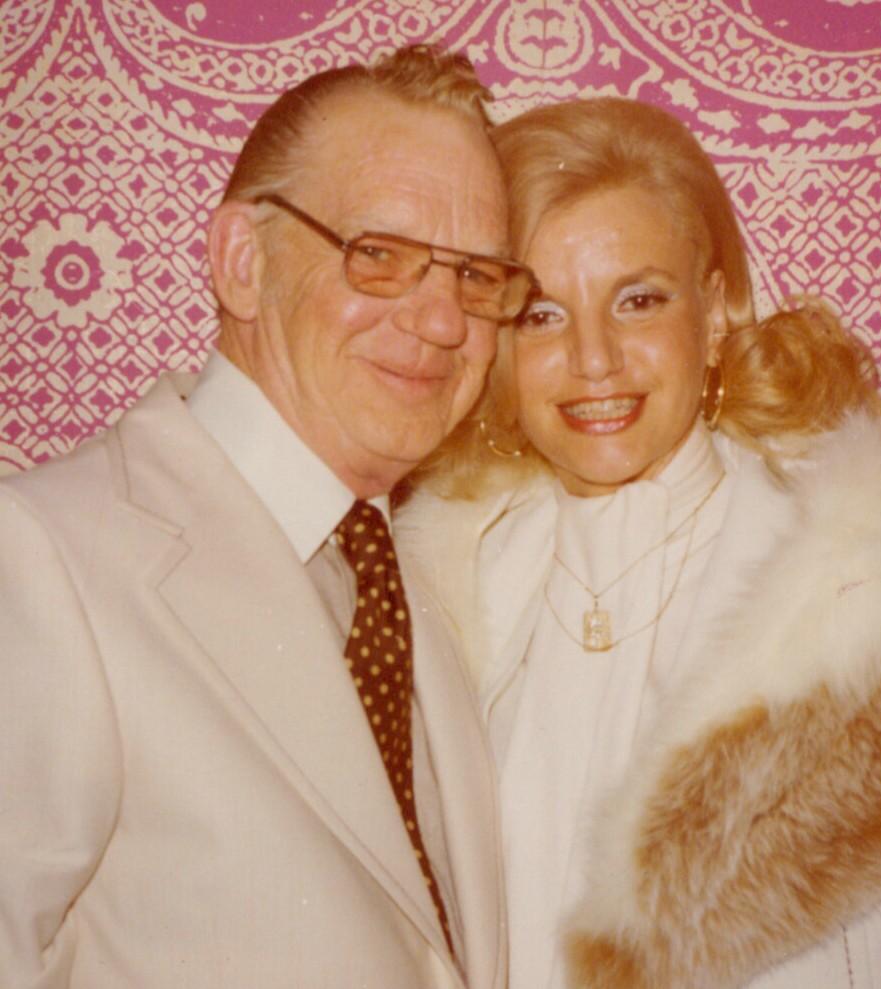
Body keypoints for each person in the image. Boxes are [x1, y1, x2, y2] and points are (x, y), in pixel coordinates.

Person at [396, 97, 881, 989]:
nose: (594, 359)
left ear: (713, 312)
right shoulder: (434, 600)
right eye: (540, 315)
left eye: (638, 300)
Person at [0, 45, 537, 989]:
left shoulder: (418, 585)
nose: (445, 322)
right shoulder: (41, 557)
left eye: (475, 276)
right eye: (380, 256)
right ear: (242, 262)